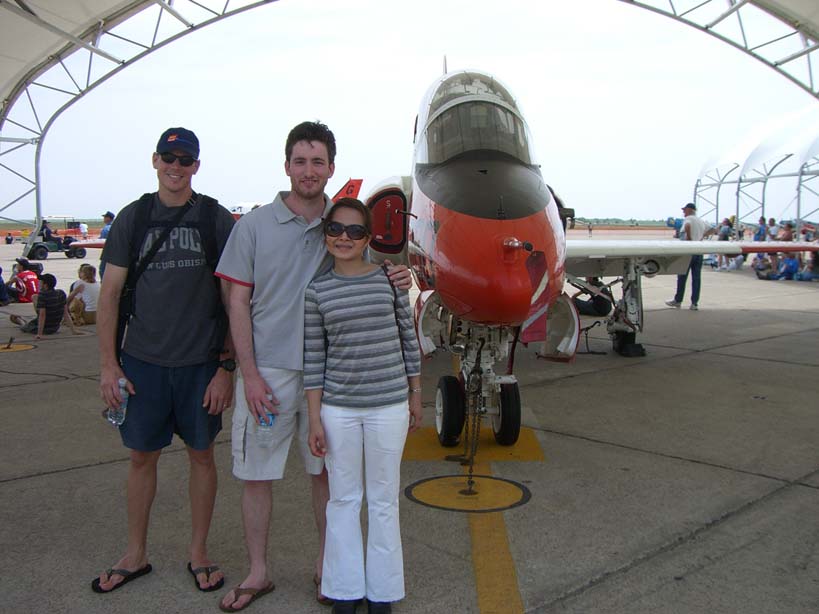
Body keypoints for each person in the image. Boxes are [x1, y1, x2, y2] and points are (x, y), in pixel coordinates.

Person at [214, 121, 412, 613]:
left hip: (331, 380)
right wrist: (248, 374)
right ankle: (258, 571)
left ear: (331, 168)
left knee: (326, 477)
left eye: (317, 161)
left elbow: (369, 269)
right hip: (270, 372)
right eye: (300, 161)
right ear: (287, 166)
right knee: (256, 475)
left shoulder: (341, 223)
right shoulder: (254, 226)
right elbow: (236, 302)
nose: (308, 170)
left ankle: (330, 570)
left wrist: (399, 275)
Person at [92, 127, 236, 595]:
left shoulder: (215, 219)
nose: (176, 167)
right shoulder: (133, 218)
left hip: (200, 364)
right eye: (168, 158)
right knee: (141, 457)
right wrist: (109, 366)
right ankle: (135, 553)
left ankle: (199, 552)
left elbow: (235, 299)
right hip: (143, 363)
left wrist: (226, 368)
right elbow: (110, 295)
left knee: (202, 456)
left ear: (197, 166)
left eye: (185, 160)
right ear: (155, 160)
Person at [305, 198, 422, 614]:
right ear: (326, 235)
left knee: (384, 500)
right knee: (343, 500)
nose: (344, 238)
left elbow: (408, 338)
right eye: (336, 229)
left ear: (368, 238)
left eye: (355, 231)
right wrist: (314, 419)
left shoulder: (389, 281)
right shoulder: (317, 291)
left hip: (388, 406)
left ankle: (383, 593)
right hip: (339, 410)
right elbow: (314, 359)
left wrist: (415, 393)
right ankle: (344, 589)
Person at [666, 203, 713, 311]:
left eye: (684, 210)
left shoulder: (688, 219)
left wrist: (690, 238)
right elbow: (713, 229)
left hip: (688, 252)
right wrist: (702, 236)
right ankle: (694, 303)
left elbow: (687, 226)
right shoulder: (700, 221)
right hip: (699, 251)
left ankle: (678, 300)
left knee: (682, 277)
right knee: (696, 278)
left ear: (689, 210)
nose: (683, 212)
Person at [8, 273, 74, 338]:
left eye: (41, 282)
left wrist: (39, 334)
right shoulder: (61, 293)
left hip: (45, 328)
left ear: (45, 285)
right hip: (55, 327)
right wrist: (73, 330)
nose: (39, 283)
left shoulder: (43, 296)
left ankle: (22, 322)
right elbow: (65, 313)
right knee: (34, 297)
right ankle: (25, 322)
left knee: (24, 327)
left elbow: (42, 315)